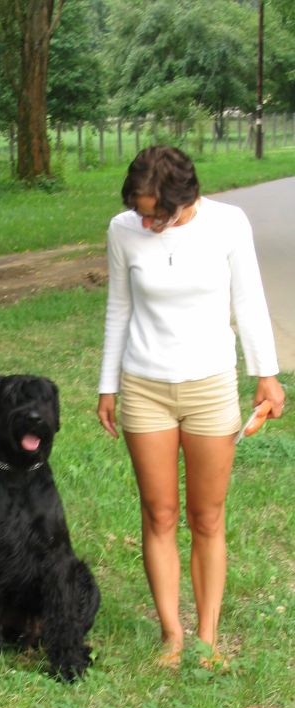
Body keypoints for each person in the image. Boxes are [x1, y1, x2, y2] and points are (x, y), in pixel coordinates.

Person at [97, 146, 285, 669]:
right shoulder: (122, 231)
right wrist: (108, 386)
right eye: (141, 213)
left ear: (186, 199)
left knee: (207, 516)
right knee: (159, 513)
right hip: (144, 387)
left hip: (211, 387)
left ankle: (206, 638)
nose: (148, 223)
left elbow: (248, 301)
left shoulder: (228, 223)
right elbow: (119, 308)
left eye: (157, 214)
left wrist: (266, 375)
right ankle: (172, 636)